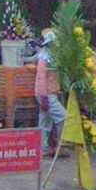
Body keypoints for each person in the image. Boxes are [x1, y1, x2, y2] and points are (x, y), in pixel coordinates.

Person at [34, 28, 67, 157]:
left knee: (45, 121)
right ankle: (61, 146)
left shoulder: (52, 56)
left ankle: (43, 147)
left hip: (49, 93)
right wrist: (43, 97)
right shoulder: (44, 57)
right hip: (45, 93)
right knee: (63, 117)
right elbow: (41, 77)